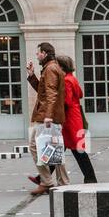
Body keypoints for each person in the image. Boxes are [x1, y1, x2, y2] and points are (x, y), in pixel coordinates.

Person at [24, 42, 67, 196]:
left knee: (35, 147)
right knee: (55, 149)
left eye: (38, 53)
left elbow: (51, 94)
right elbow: (43, 92)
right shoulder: (51, 68)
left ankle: (47, 181)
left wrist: (48, 115)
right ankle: (62, 182)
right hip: (49, 115)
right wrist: (31, 76)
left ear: (46, 53)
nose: (37, 56)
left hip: (46, 116)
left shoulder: (50, 69)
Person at [55, 54, 97, 183]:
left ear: (61, 67)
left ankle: (91, 177)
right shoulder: (72, 78)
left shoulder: (66, 80)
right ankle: (90, 177)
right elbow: (80, 94)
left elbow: (66, 101)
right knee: (67, 149)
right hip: (75, 117)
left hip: (69, 119)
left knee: (72, 149)